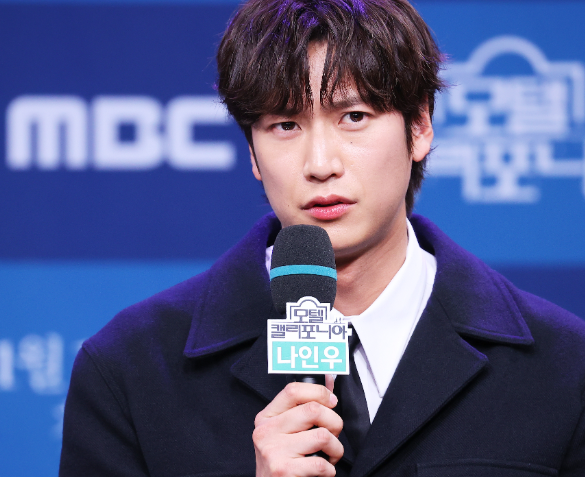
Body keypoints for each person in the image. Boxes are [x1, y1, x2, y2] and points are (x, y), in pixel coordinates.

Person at [59, 1, 585, 476]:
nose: (320, 164)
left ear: (420, 126)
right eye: (285, 125)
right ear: (252, 153)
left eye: (353, 117)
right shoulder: (131, 370)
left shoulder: (563, 367)